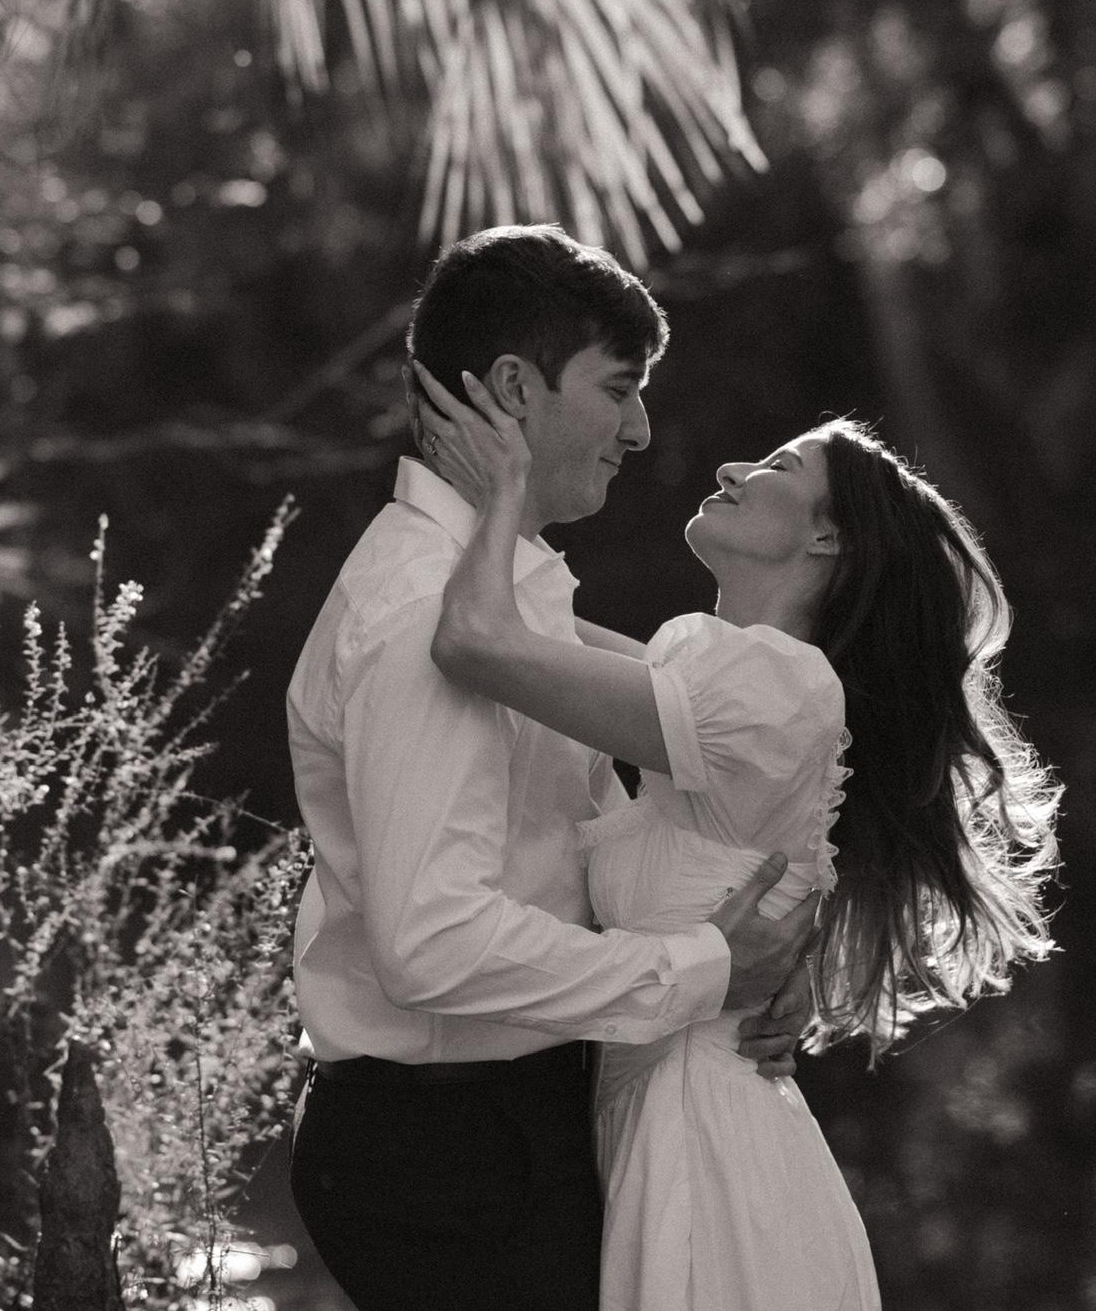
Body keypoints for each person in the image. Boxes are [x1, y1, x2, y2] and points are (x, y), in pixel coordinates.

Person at [414, 365, 1061, 1311]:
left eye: (777, 467)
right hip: (678, 1128)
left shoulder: (771, 688)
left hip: (706, 1154)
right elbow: (538, 634)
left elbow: (476, 643)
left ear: (828, 536)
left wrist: (506, 485)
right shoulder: (739, 690)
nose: (730, 467)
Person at [286, 224, 819, 1311]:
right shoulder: (421, 613)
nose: (641, 429)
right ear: (515, 389)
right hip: (449, 1156)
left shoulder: (506, 589)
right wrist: (703, 971)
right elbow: (432, 944)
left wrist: (750, 971)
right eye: (618, 389)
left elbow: (623, 829)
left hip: (515, 1121)